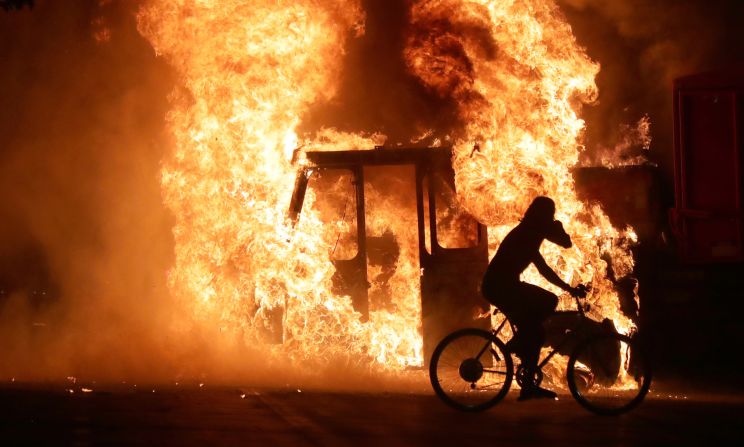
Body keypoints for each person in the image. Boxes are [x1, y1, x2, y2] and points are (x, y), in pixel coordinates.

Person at [481, 196, 586, 401]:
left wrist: (568, 288)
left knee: (535, 332)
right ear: (542, 216)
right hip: (499, 287)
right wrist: (556, 229)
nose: (551, 218)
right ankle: (520, 345)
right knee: (543, 313)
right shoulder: (527, 234)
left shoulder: (530, 233)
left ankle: (524, 352)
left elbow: (557, 253)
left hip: (505, 286)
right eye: (550, 214)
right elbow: (552, 260)